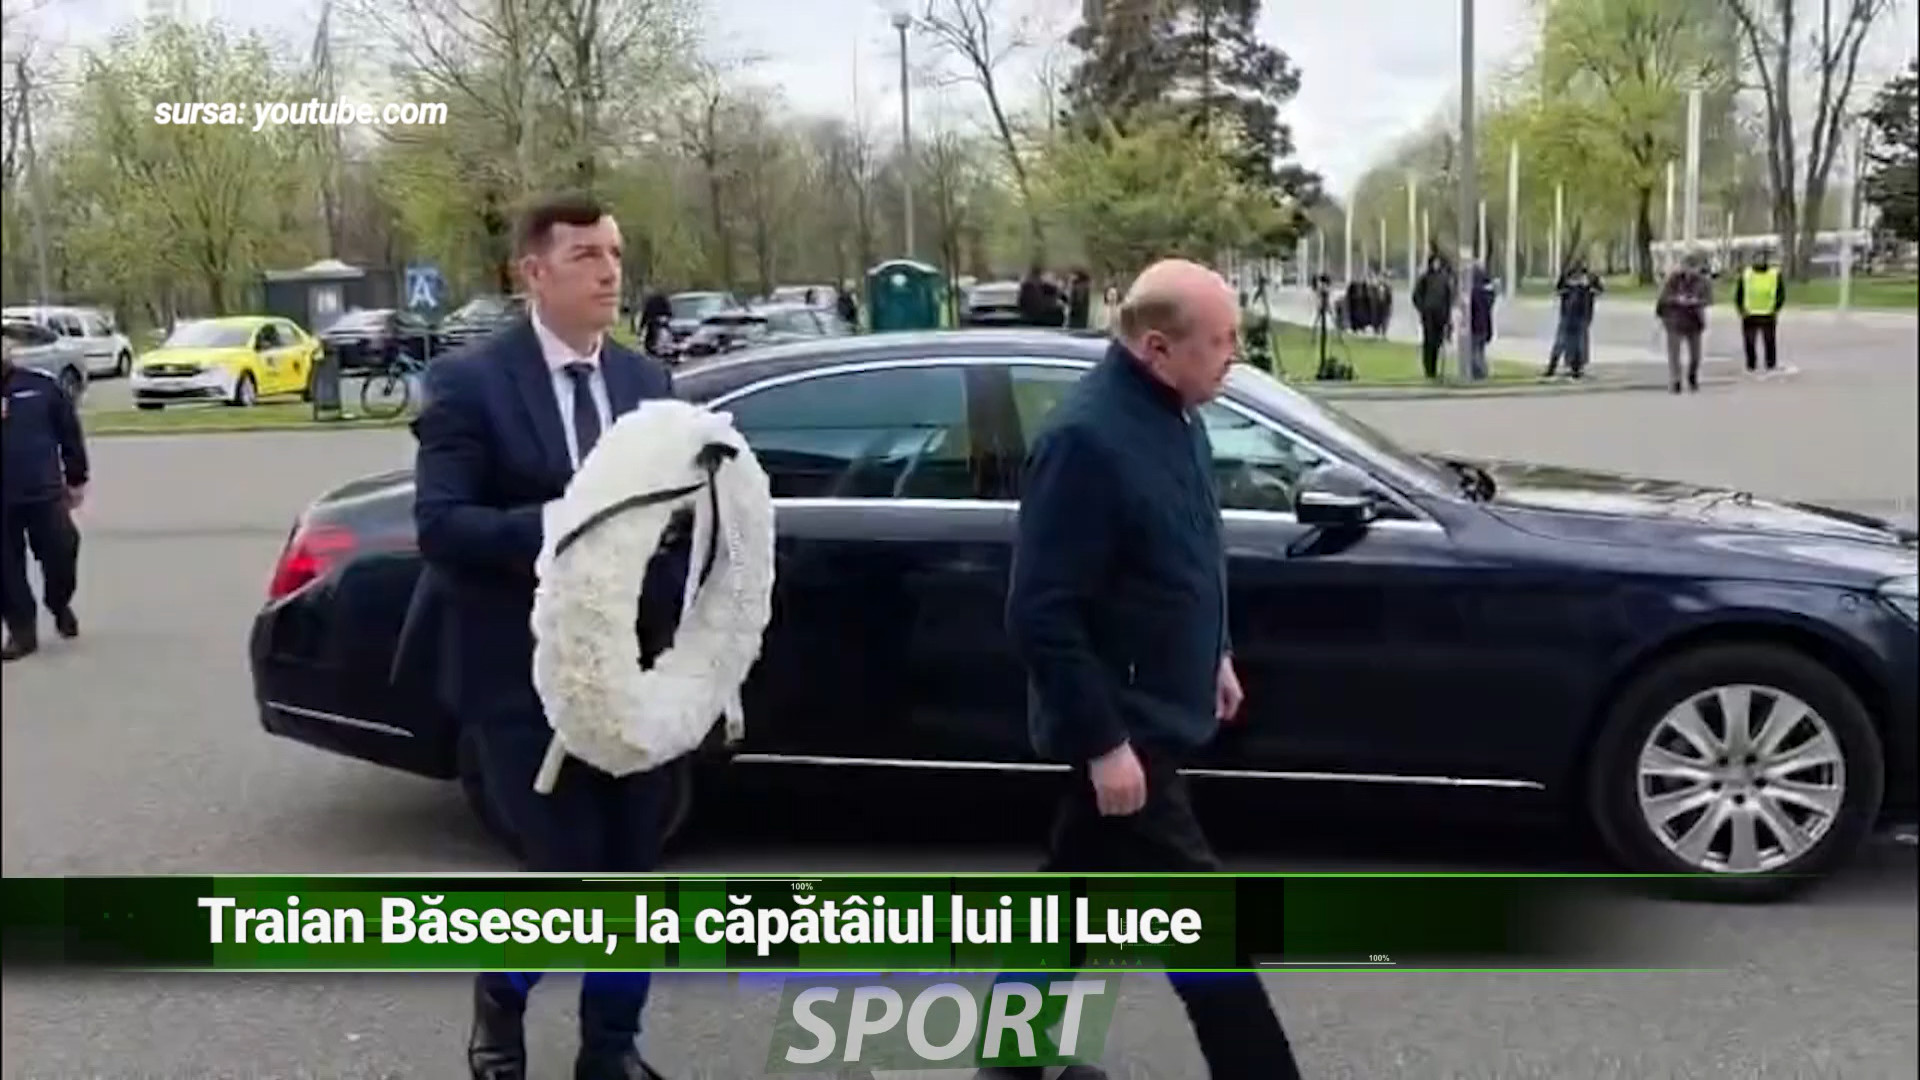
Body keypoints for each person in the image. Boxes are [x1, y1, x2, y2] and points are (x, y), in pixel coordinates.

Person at [992, 258, 1304, 1080]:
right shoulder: (1085, 442)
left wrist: (1216, 651)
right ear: (1158, 348)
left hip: (1158, 705)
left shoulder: (1178, 415)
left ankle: (1010, 1061)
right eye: (1221, 340)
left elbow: (1186, 549)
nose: (1236, 355)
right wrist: (1104, 745)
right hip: (1126, 727)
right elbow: (1040, 611)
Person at [409, 192, 683, 1080]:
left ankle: (611, 1047)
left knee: (633, 872)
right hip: (519, 675)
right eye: (585, 256)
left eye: (615, 254)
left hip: (633, 670)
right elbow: (442, 526)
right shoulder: (470, 384)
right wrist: (569, 524)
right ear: (534, 272)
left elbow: (676, 519)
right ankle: (504, 988)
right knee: (567, 865)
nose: (609, 272)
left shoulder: (647, 385)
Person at [2, 336, 89, 662]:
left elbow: (69, 432)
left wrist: (76, 477)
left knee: (62, 550)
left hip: (43, 491)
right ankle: (21, 632)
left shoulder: (40, 387)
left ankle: (58, 601)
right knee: (6, 570)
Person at [1656, 252, 1713, 394]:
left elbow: (1709, 299)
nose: (1690, 271)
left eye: (1693, 267)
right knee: (1674, 354)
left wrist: (1696, 301)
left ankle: (1692, 375)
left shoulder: (1703, 281)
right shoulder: (1673, 280)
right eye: (1687, 266)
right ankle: (1676, 380)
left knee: (1695, 355)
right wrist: (1677, 299)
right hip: (1674, 320)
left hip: (1694, 321)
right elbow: (1663, 297)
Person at [1545, 257, 1603, 379]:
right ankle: (1553, 366)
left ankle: (1576, 368)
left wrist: (1590, 291)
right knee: (1561, 341)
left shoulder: (1590, 278)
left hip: (1582, 314)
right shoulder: (1567, 276)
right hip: (1567, 314)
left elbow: (1599, 290)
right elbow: (1558, 290)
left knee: (1579, 342)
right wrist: (1566, 291)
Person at [1735, 250, 1785, 377]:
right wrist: (1741, 309)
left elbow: (1781, 293)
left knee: (1769, 340)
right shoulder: (1746, 274)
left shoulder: (1774, 274)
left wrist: (1776, 308)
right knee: (1749, 341)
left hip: (1768, 313)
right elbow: (1739, 293)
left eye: (1762, 259)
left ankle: (1770, 363)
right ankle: (1751, 364)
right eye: (1757, 258)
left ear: (1765, 260)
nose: (1759, 261)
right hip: (1749, 313)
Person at [1411, 253, 1454, 380]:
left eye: (1438, 262)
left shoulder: (1444, 279)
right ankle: (1428, 369)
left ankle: (1433, 369)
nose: (1436, 265)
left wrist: (1448, 317)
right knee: (1429, 343)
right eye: (1435, 262)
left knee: (1437, 343)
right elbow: (1416, 296)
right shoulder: (1425, 278)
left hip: (1441, 317)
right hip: (1428, 316)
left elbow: (1448, 299)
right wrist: (1423, 308)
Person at [1466, 260, 1496, 380]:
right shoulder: (1488, 294)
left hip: (1475, 326)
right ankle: (1479, 373)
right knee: (1480, 352)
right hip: (1484, 327)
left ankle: (1481, 373)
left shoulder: (1475, 292)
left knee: (1474, 353)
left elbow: (1472, 310)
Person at [638, 289, 673, 356]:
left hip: (654, 322)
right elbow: (670, 312)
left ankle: (652, 350)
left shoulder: (650, 302)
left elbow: (645, 316)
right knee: (664, 336)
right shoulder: (664, 300)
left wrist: (641, 328)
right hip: (662, 322)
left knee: (652, 338)